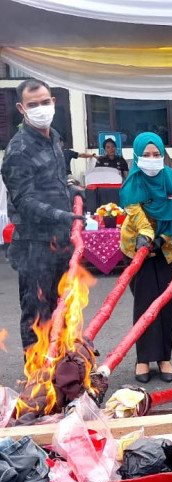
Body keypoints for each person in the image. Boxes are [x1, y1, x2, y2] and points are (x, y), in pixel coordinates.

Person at [1, 78, 85, 351]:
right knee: (38, 318)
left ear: (53, 102)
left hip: (61, 243)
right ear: (21, 108)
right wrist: (62, 215)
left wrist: (73, 189)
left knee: (64, 314)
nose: (40, 108)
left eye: (44, 102)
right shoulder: (18, 150)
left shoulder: (55, 136)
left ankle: (65, 378)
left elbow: (58, 178)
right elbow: (24, 201)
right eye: (32, 104)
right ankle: (39, 384)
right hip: (34, 248)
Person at [120, 132, 172, 383]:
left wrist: (163, 239)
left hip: (168, 248)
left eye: (156, 155)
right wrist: (148, 237)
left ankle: (165, 357)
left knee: (165, 303)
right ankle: (143, 359)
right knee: (144, 302)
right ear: (137, 157)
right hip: (137, 247)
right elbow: (137, 216)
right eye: (146, 155)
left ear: (163, 155)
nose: (152, 159)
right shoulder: (132, 183)